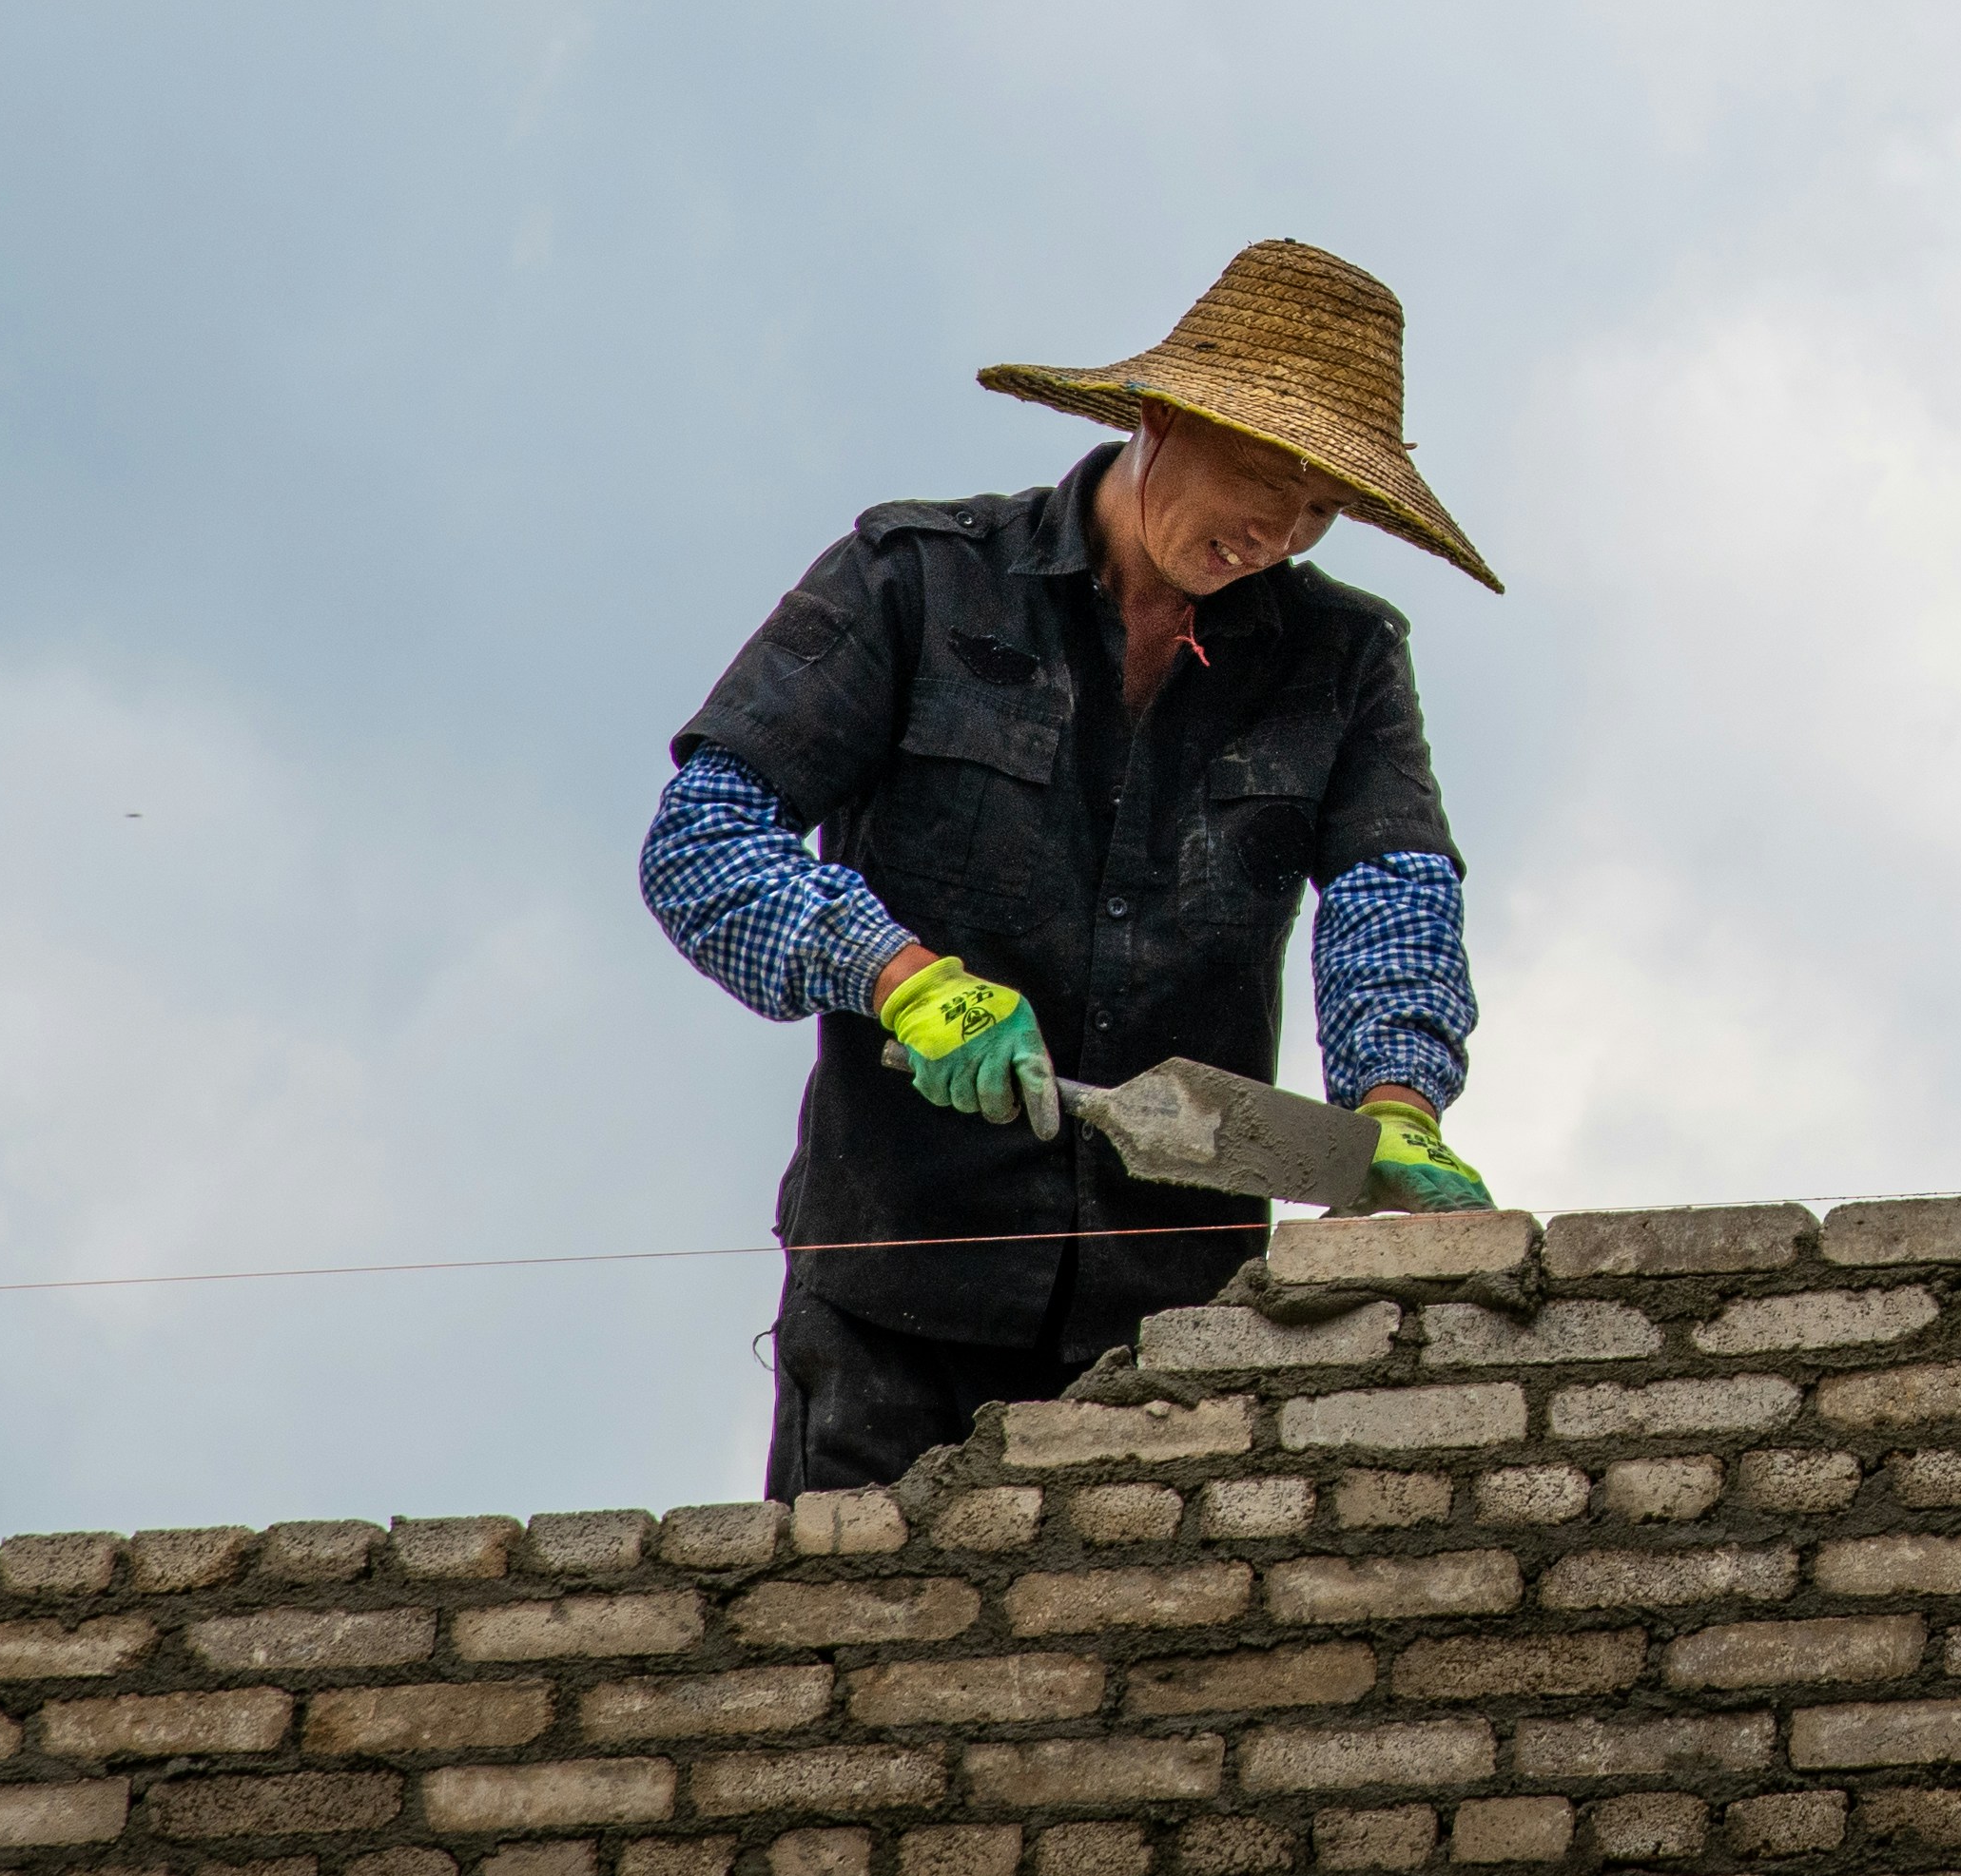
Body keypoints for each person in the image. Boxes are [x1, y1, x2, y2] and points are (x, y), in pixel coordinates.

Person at [641, 237, 1503, 1494]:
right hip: (896, 1301)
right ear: (1161, 418)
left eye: (1322, 506)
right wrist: (896, 975)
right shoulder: (918, 583)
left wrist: (1398, 1099)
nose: (1280, 528)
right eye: (1266, 473)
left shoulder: (1343, 659)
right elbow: (704, 841)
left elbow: (1392, 892)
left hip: (1181, 1341)